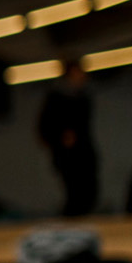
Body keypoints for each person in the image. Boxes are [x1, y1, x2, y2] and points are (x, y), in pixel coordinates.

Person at [37, 62, 100, 217]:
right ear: (69, 75)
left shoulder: (83, 97)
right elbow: (44, 127)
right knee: (75, 194)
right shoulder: (56, 98)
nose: (81, 77)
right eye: (77, 73)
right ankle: (70, 227)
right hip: (67, 156)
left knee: (90, 191)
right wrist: (61, 138)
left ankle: (77, 225)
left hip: (84, 153)